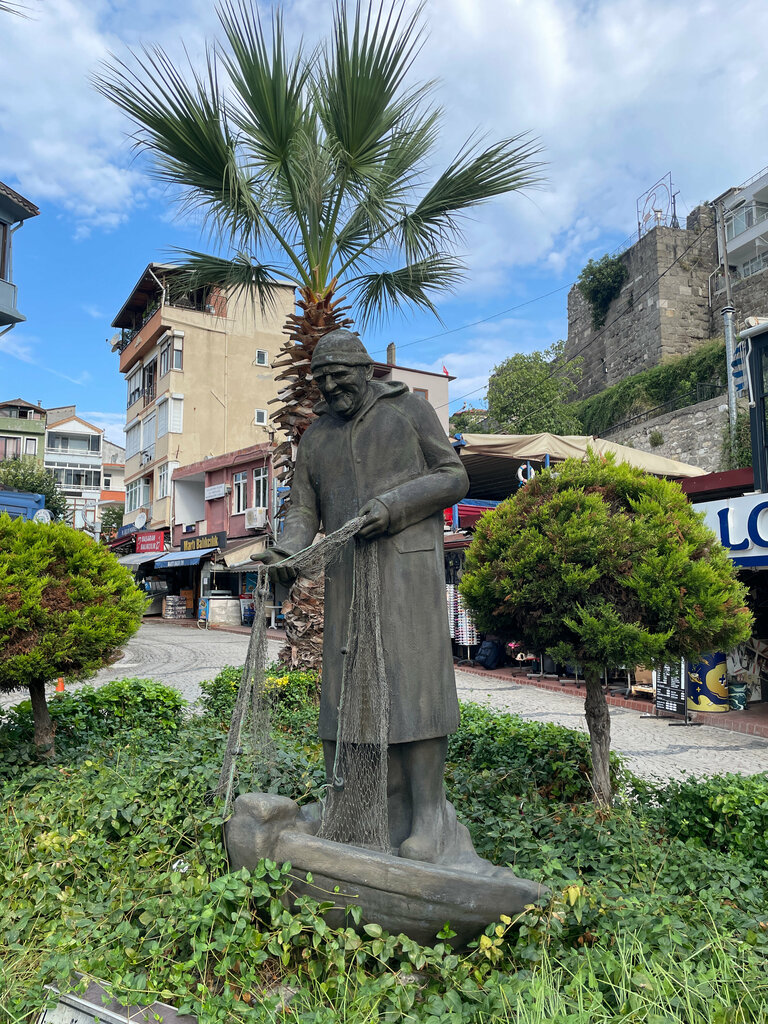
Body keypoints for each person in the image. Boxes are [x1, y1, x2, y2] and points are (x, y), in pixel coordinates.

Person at [255, 329, 469, 862]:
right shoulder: (316, 436)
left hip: (409, 576)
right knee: (343, 690)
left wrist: (394, 505)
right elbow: (303, 509)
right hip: (347, 577)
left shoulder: (409, 411)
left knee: (416, 690)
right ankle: (348, 804)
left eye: (338, 376)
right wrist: (287, 551)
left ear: (365, 369)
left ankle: (427, 818)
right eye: (321, 379)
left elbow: (453, 476)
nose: (330, 388)